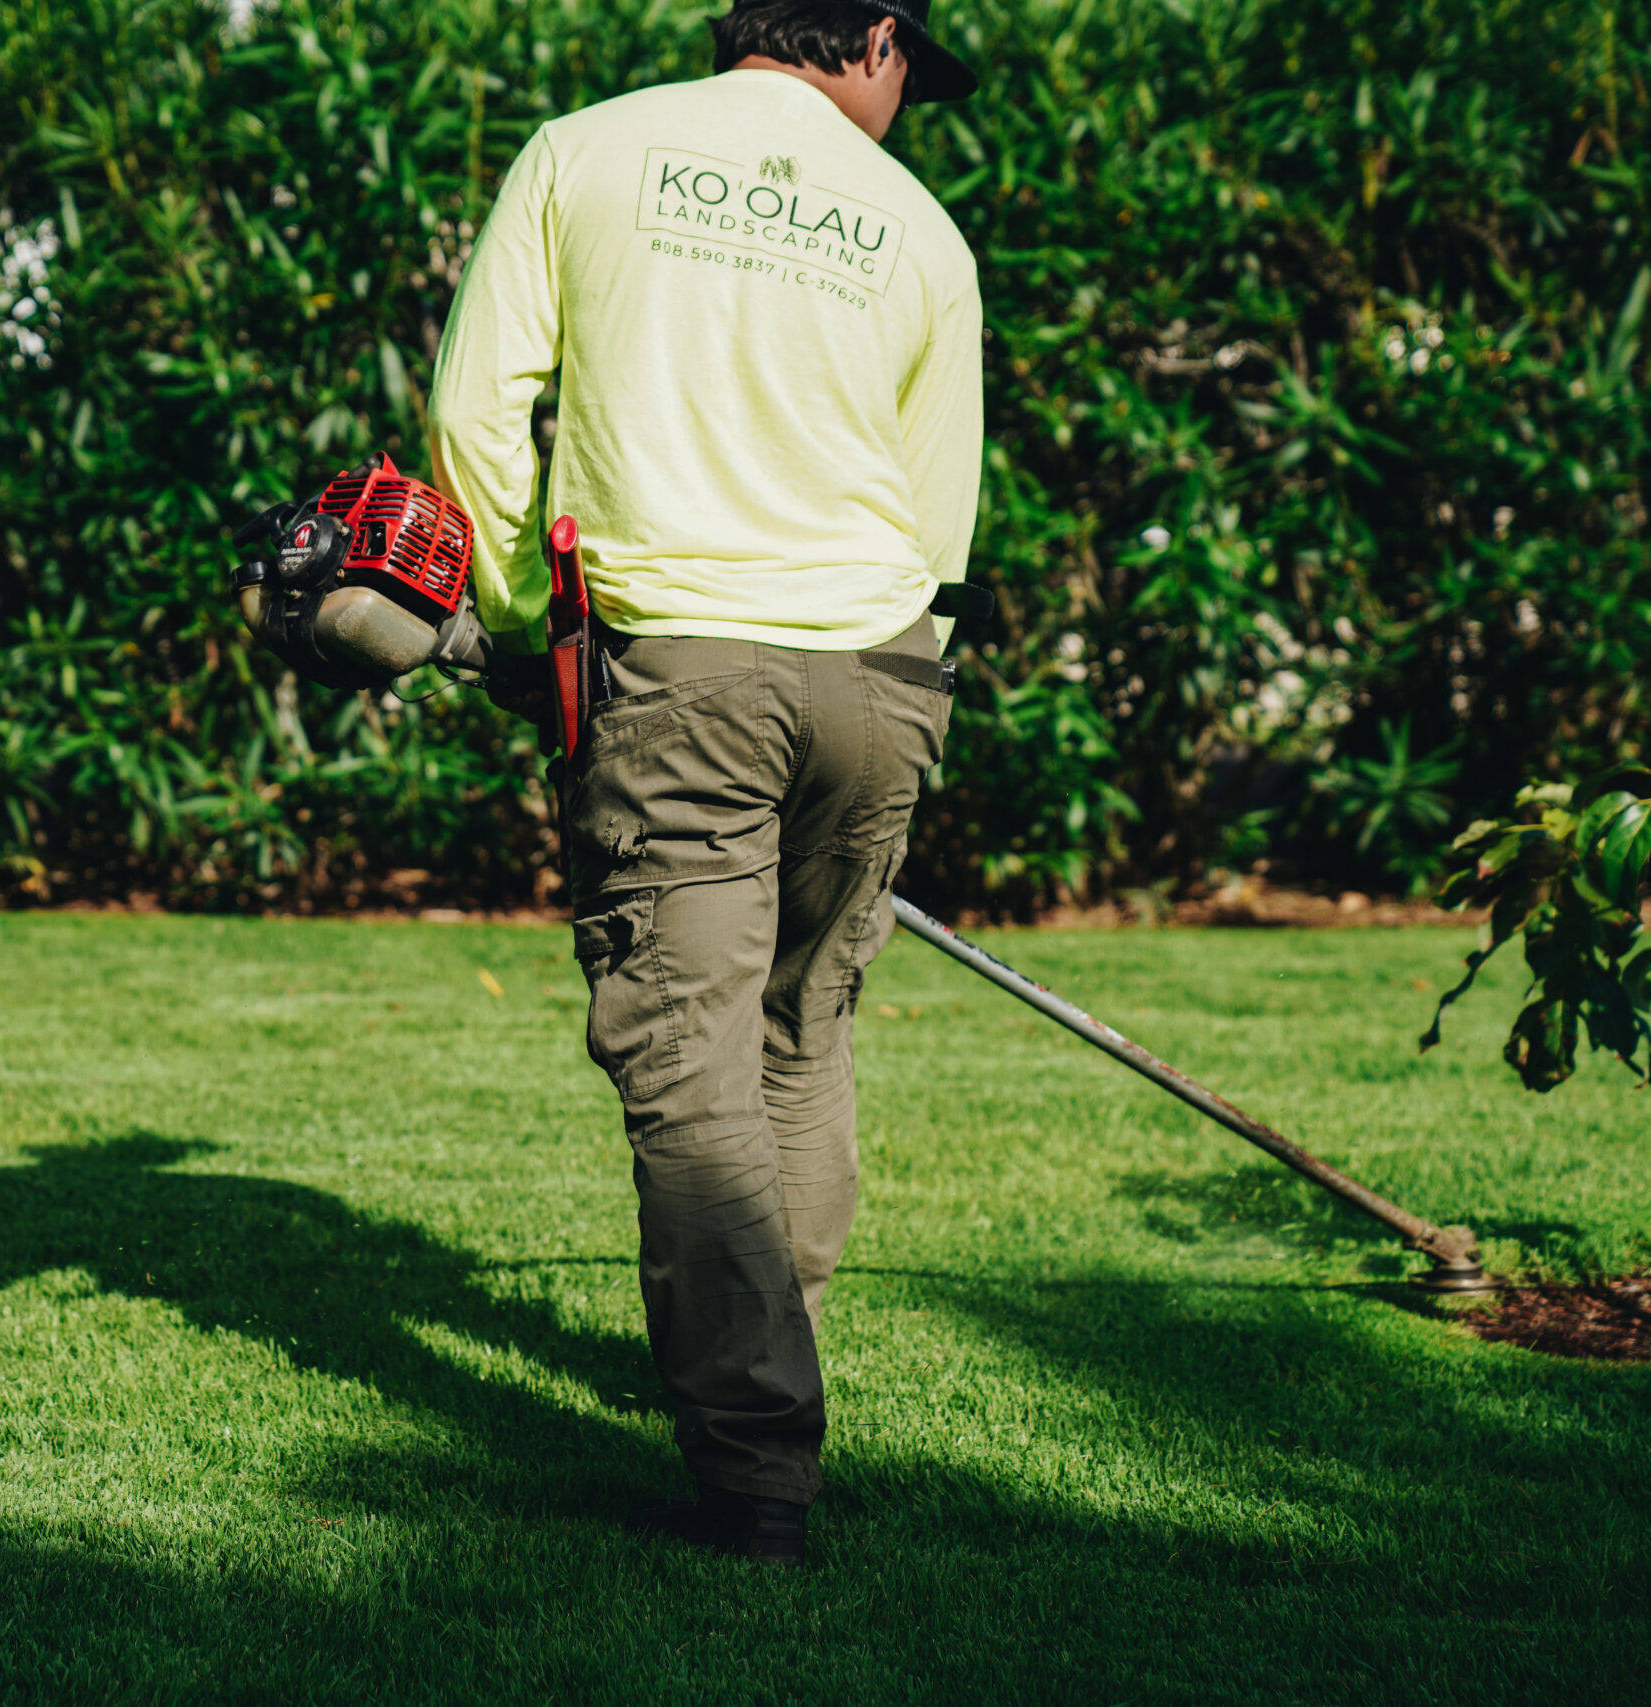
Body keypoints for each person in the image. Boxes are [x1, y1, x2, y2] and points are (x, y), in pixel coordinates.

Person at [426, 0, 984, 1566]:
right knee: (800, 1032)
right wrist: (898, 664)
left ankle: (755, 1478)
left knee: (688, 1058)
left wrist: (532, 625)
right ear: (871, 38)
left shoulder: (584, 152)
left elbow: (481, 412)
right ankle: (772, 1371)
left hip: (677, 667)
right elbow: (942, 526)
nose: (905, 104)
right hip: (881, 675)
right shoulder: (922, 230)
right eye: (911, 76)